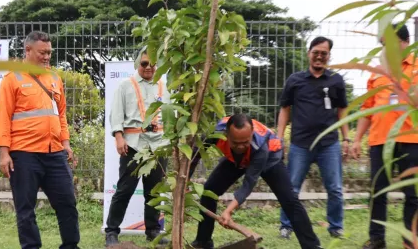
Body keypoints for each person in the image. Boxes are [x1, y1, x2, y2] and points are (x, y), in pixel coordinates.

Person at [0, 31, 80, 249]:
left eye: (49, 53)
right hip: (24, 154)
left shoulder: (54, 78)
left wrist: (66, 144)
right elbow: (3, 118)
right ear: (28, 50)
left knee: (68, 203)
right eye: (42, 52)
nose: (46, 57)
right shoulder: (12, 79)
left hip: (55, 154)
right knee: (25, 209)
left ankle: (71, 246)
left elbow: (60, 115)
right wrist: (4, 153)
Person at [188, 114, 322, 249]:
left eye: (245, 142)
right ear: (226, 135)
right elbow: (195, 153)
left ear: (251, 134)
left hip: (270, 159)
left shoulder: (261, 147)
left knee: (289, 200)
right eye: (235, 143)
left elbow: (249, 183)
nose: (240, 146)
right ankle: (203, 242)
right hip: (236, 160)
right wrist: (185, 181)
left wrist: (228, 210)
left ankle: (311, 246)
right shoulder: (215, 133)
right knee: (209, 191)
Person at [350, 23, 418, 249]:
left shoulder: (417, 68)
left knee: (413, 194)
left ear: (404, 43)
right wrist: (357, 139)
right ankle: (377, 239)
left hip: (412, 140)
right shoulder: (377, 73)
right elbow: (367, 109)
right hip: (380, 141)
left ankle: (411, 240)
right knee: (377, 192)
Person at [277, 36, 349, 239]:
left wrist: (346, 138)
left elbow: (342, 109)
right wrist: (279, 137)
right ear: (309, 53)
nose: (319, 57)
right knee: (291, 188)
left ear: (329, 56)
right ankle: (286, 225)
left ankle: (336, 227)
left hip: (329, 144)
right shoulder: (295, 80)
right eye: (316, 52)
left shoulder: (336, 80)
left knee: (335, 189)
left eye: (324, 53)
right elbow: (284, 109)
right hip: (301, 144)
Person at [105, 47, 170, 247]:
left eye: (152, 64)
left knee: (154, 191)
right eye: (144, 64)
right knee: (125, 189)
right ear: (137, 64)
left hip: (158, 146)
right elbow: (116, 114)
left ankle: (153, 231)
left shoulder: (163, 86)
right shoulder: (126, 85)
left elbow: (168, 116)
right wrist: (118, 137)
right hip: (133, 146)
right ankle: (111, 232)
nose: (148, 68)